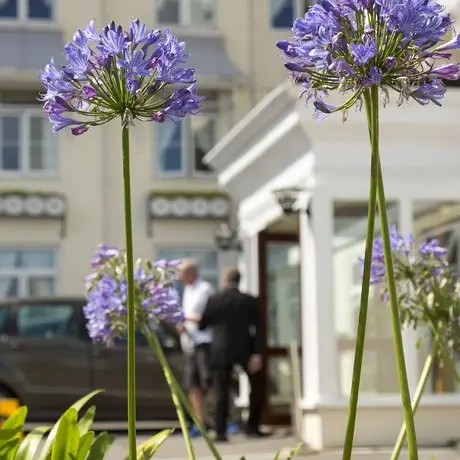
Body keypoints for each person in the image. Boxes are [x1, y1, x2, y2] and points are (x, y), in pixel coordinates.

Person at [198, 268, 269, 442]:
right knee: (257, 386)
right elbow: (259, 329)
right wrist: (257, 353)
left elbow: (202, 325)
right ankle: (252, 426)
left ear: (224, 280)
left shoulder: (214, 300)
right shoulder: (249, 301)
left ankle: (220, 431)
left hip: (220, 350)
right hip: (245, 349)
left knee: (221, 391)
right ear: (239, 280)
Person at [176, 259, 214, 437]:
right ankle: (200, 422)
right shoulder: (187, 291)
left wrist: (186, 320)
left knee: (208, 383)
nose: (178, 276)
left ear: (190, 273)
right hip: (189, 343)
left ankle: (215, 419)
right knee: (192, 385)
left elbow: (208, 316)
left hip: (204, 342)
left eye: (181, 272)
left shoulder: (205, 289)